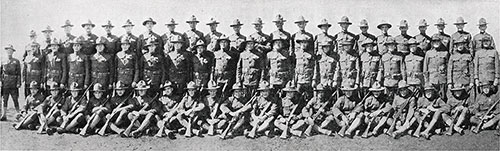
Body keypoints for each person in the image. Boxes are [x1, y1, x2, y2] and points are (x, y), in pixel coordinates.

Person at [424, 36, 449, 101]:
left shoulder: (445, 53)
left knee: (443, 96)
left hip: (442, 78)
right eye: (434, 41)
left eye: (438, 41)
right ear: (432, 43)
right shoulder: (428, 53)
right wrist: (426, 81)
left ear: (440, 42)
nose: (436, 43)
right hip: (432, 79)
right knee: (432, 97)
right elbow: (425, 68)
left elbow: (448, 66)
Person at [1, 44, 22, 120]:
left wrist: (19, 82)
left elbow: (19, 73)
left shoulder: (16, 61)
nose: (9, 52)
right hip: (5, 83)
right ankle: (4, 115)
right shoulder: (3, 61)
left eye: (11, 50)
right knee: (5, 99)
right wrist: (1, 81)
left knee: (15, 99)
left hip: (13, 83)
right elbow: (0, 73)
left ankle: (18, 115)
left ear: (13, 52)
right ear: (6, 51)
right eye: (8, 50)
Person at [294, 35, 316, 99]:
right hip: (299, 80)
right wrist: (294, 80)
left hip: (308, 79)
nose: (303, 44)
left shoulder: (311, 54)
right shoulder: (296, 54)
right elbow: (294, 68)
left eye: (305, 42)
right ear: (300, 44)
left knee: (309, 97)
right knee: (297, 96)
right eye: (302, 43)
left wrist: (314, 79)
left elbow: (315, 67)